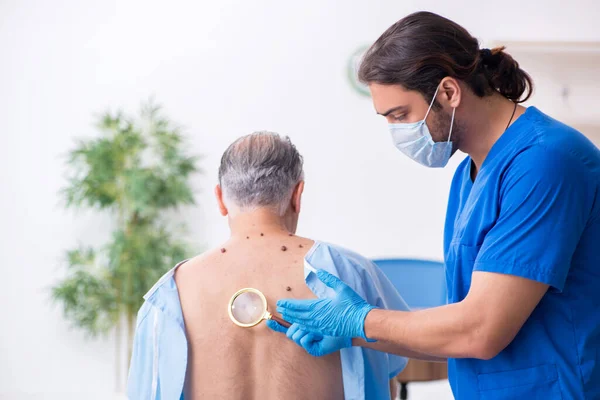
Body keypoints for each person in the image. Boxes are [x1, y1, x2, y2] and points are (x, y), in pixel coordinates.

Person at [273, 11, 600, 400]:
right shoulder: (470, 174)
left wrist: (362, 320)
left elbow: (479, 330)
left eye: (401, 115)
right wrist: (355, 334)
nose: (397, 131)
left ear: (448, 92)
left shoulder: (545, 161)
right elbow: (456, 332)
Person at [126, 131, 410, 400]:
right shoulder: (351, 272)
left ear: (221, 198)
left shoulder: (168, 295)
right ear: (297, 195)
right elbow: (391, 374)